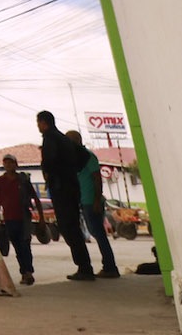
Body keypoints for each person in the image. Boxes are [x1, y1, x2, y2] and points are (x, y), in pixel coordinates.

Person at [37, 110, 96, 280]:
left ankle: (84, 267)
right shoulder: (64, 138)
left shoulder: (50, 138)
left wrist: (51, 171)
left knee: (68, 227)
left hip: (61, 188)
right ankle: (84, 266)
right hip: (71, 186)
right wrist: (71, 169)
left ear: (43, 123)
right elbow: (83, 155)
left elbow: (49, 162)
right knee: (72, 226)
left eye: (39, 123)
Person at [67, 128, 120, 277]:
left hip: (91, 200)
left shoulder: (88, 157)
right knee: (95, 232)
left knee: (99, 234)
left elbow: (97, 178)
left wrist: (96, 200)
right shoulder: (76, 159)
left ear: (77, 141)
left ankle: (110, 267)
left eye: (69, 141)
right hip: (85, 200)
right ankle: (109, 266)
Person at [0, 153, 42, 285]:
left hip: (24, 217)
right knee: (18, 247)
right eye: (6, 163)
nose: (8, 165)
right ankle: (24, 272)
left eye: (11, 162)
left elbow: (35, 198)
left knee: (25, 245)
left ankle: (29, 272)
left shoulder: (23, 180)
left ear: (16, 164)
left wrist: (41, 218)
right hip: (9, 219)